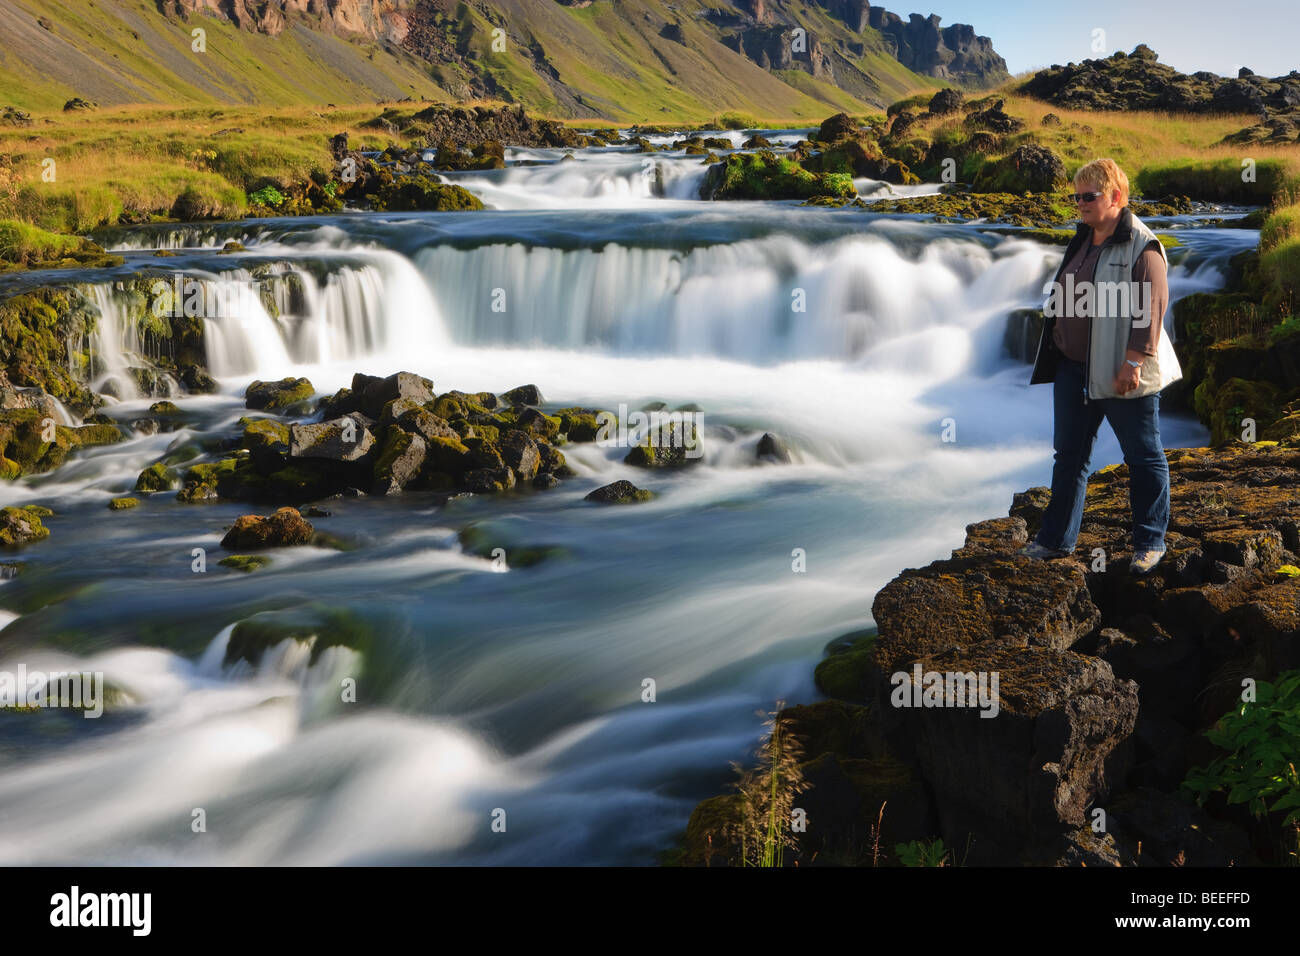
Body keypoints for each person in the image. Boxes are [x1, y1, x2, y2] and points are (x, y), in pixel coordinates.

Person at [1019, 158, 1182, 575]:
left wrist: (1133, 361)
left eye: (1088, 197)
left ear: (1116, 196)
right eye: (1076, 197)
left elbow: (1152, 310)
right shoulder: (1084, 238)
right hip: (1074, 370)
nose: (1080, 204)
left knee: (1143, 456)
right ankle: (1055, 541)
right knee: (1069, 456)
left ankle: (1150, 542)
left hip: (1121, 370)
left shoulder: (1142, 246)